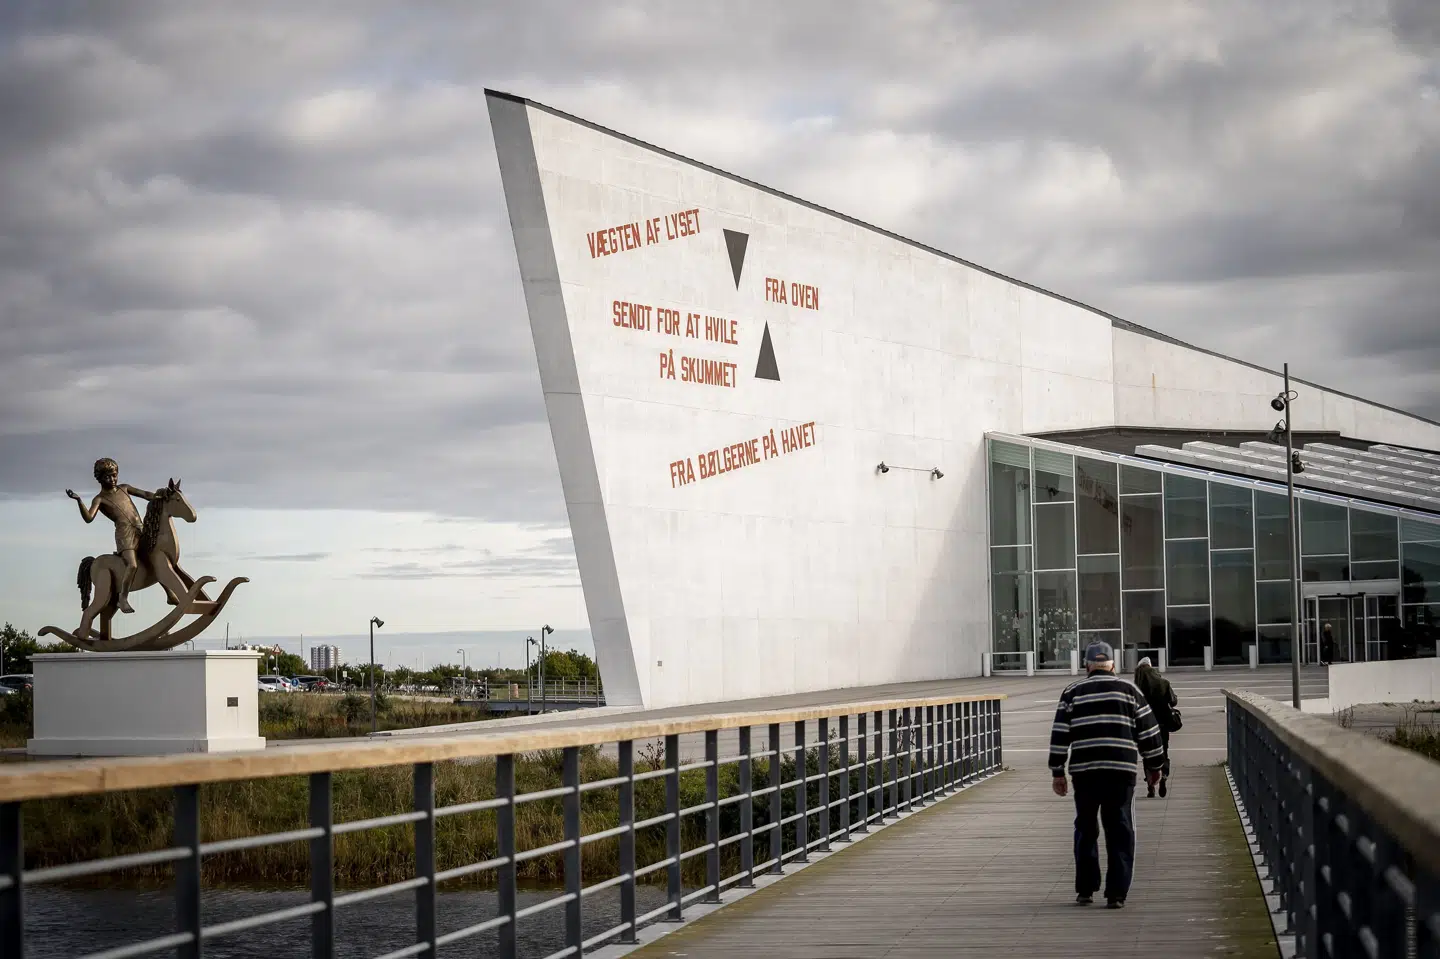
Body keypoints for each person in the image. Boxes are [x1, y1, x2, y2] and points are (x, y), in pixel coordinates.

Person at [1049, 641, 1164, 909]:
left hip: (1085, 773)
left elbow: (1059, 736)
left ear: (1087, 665)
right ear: (1112, 664)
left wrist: (1058, 772)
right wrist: (1154, 766)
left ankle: (1086, 889)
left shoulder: (1072, 692)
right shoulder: (1130, 691)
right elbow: (1149, 732)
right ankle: (1116, 894)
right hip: (1120, 771)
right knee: (1120, 829)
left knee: (1086, 828)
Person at [66, 458, 156, 615]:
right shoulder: (100, 499)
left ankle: (170, 594)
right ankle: (123, 598)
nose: (112, 480)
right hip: (124, 535)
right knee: (133, 565)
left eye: (114, 475)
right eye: (107, 477)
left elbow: (146, 494)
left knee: (157, 557)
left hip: (140, 530)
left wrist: (162, 496)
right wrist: (79, 501)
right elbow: (88, 518)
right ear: (100, 479)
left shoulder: (124, 488)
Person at [1133, 656, 1177, 798]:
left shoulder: (1137, 688)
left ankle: (1150, 785)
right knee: (1164, 751)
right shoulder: (1163, 683)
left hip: (1145, 727)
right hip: (1162, 724)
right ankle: (1164, 776)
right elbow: (1173, 701)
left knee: (1147, 755)